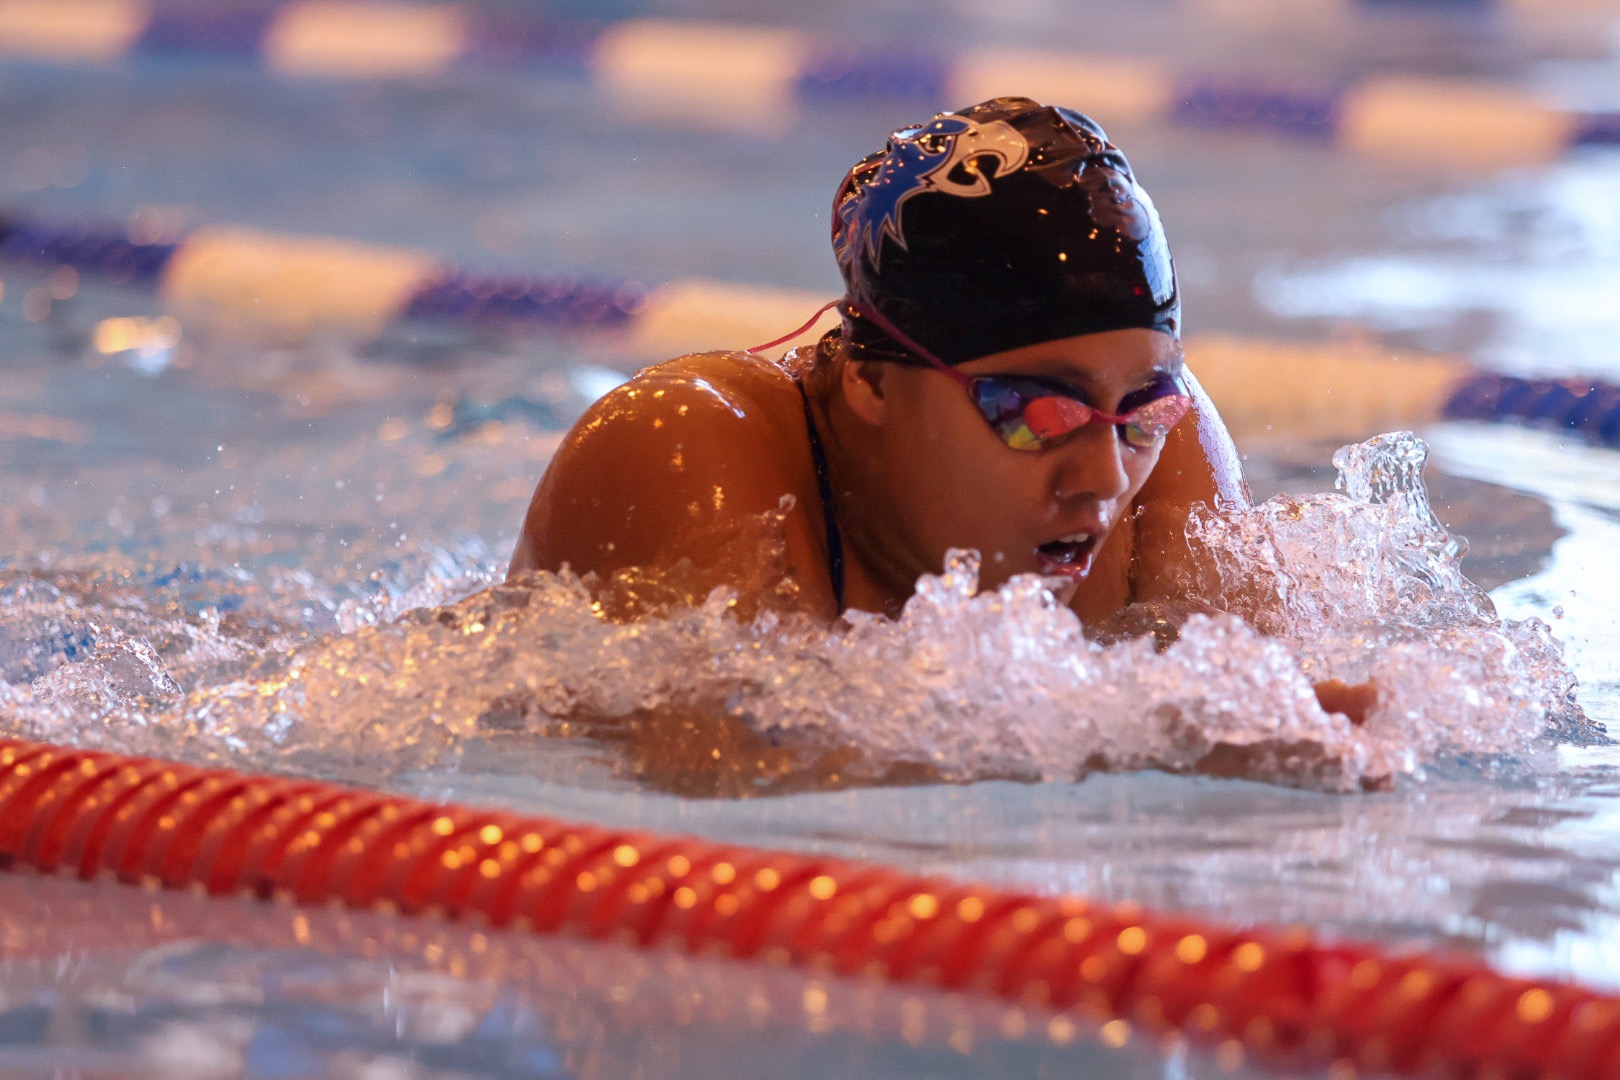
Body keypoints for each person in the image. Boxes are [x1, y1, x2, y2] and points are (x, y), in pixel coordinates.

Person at [510, 96, 1250, 634]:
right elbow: (731, 773)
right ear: (871, 378)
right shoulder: (684, 450)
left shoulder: (1164, 451)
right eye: (1038, 414)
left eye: (1142, 411)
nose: (1106, 477)